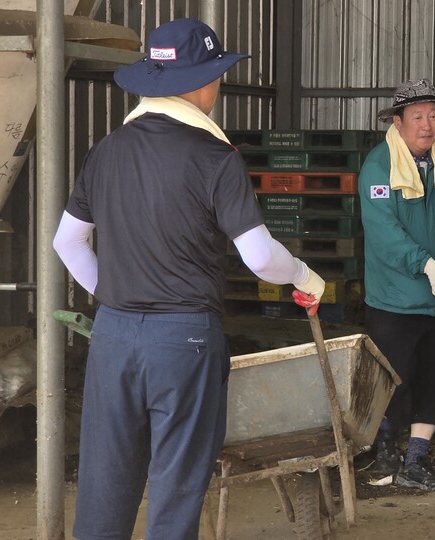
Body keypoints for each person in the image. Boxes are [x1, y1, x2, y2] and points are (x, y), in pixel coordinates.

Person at [52, 18, 325, 539]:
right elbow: (261, 258)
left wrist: (112, 296)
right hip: (183, 339)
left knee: (105, 481)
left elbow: (67, 242)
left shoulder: (106, 151)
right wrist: (305, 276)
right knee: (176, 487)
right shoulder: (214, 157)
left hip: (113, 334)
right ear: (202, 82)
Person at [358, 79, 435, 492]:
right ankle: (383, 454)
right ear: (397, 122)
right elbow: (383, 233)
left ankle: (416, 460)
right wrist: (425, 264)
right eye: (416, 116)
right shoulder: (379, 166)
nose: (427, 125)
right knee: (391, 380)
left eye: (433, 115)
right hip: (395, 299)